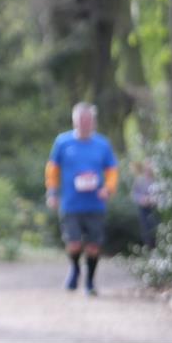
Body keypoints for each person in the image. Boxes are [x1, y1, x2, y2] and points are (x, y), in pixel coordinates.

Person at [44, 102, 119, 295]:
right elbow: (53, 169)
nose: (84, 123)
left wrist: (108, 189)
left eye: (88, 120)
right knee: (74, 243)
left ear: (93, 121)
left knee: (94, 245)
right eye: (80, 120)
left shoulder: (102, 144)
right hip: (70, 203)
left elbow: (112, 170)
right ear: (74, 121)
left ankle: (90, 282)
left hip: (95, 203)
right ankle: (75, 269)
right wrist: (52, 192)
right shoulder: (62, 142)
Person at [130, 160, 158, 249]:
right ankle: (148, 247)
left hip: (155, 208)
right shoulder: (139, 180)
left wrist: (153, 199)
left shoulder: (156, 180)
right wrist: (141, 199)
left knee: (155, 227)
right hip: (143, 209)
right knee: (145, 229)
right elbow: (134, 194)